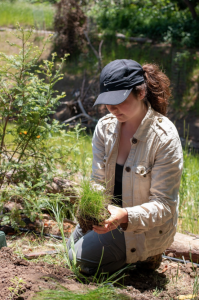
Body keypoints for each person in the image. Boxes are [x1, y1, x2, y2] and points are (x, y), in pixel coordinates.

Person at [67, 59, 183, 275]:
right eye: (107, 101)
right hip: (110, 218)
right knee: (68, 254)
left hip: (142, 227)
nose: (112, 108)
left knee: (79, 261)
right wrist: (95, 209)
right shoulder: (105, 128)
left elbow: (165, 204)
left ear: (140, 93)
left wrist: (124, 216)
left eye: (118, 100)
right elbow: (98, 181)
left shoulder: (165, 137)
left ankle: (148, 255)